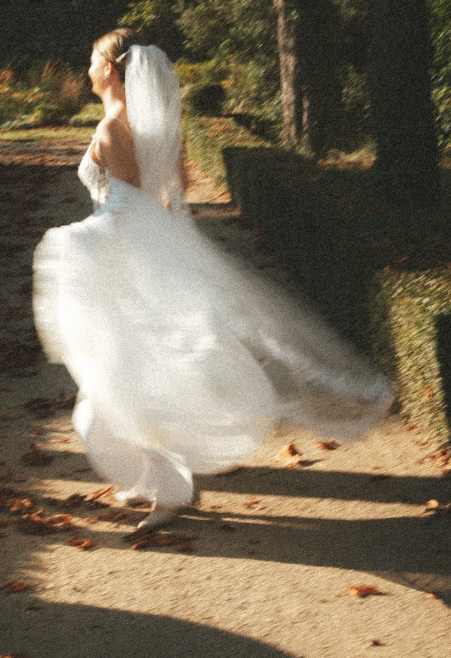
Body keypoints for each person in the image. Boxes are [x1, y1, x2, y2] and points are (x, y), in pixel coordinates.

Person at [33, 28, 393, 532]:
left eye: (92, 60)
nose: (87, 69)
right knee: (124, 381)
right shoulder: (158, 126)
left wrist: (77, 242)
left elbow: (129, 211)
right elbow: (175, 191)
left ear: (111, 70)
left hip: (125, 270)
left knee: (121, 384)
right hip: (144, 267)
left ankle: (169, 490)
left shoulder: (114, 128)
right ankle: (153, 480)